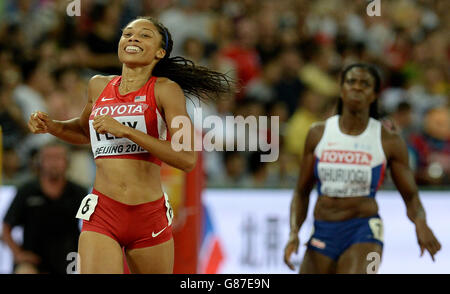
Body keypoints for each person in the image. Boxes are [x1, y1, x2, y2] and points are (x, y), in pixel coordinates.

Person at [27, 16, 233, 274]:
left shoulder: (166, 90)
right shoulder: (98, 85)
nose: (133, 38)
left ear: (160, 52)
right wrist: (52, 126)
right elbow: (84, 131)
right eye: (127, 33)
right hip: (103, 211)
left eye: (144, 35)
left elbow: (187, 158)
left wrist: (125, 131)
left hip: (148, 215)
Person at [283, 63, 441, 274]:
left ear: (374, 95)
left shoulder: (388, 140)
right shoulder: (318, 134)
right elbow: (302, 191)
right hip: (322, 230)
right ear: (341, 89)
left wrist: (421, 223)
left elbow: (411, 195)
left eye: (364, 84)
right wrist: (294, 233)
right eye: (351, 82)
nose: (357, 87)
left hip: (364, 232)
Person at [2, 142, 86, 274]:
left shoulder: (78, 192)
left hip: (70, 261)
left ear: (67, 162)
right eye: (49, 158)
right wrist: (18, 254)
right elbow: (6, 229)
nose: (53, 163)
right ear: (39, 162)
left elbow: (92, 228)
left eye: (58, 157)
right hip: (34, 261)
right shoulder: (27, 191)